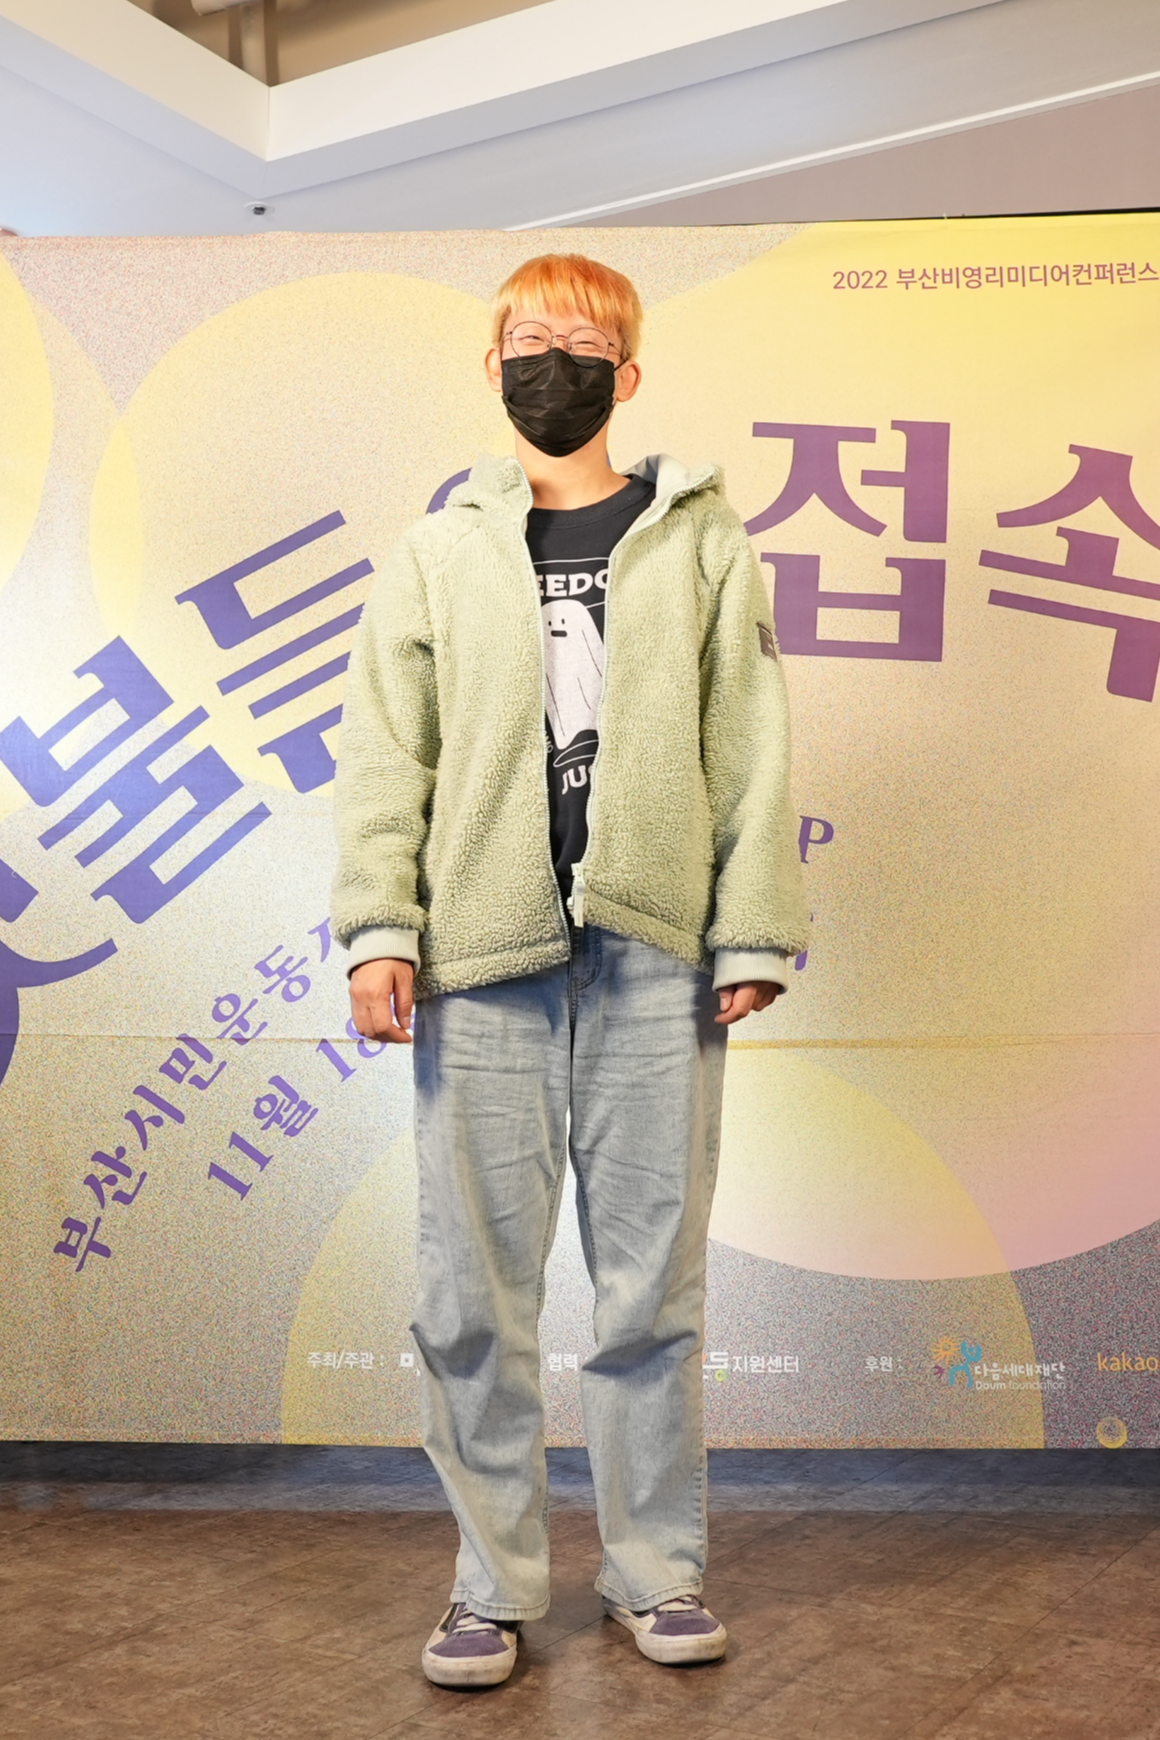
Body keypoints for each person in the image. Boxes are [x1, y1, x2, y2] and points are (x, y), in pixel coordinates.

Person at [333, 253, 809, 1689]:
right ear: (493, 368)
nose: (554, 362)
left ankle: (656, 1573)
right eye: (529, 340)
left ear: (628, 372)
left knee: (650, 1292)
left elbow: (752, 739)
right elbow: (386, 755)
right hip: (483, 963)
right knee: (470, 1295)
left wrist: (750, 929)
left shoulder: (704, 540)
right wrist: (382, 928)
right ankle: (489, 1586)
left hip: (656, 958)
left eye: (583, 343)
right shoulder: (436, 553)